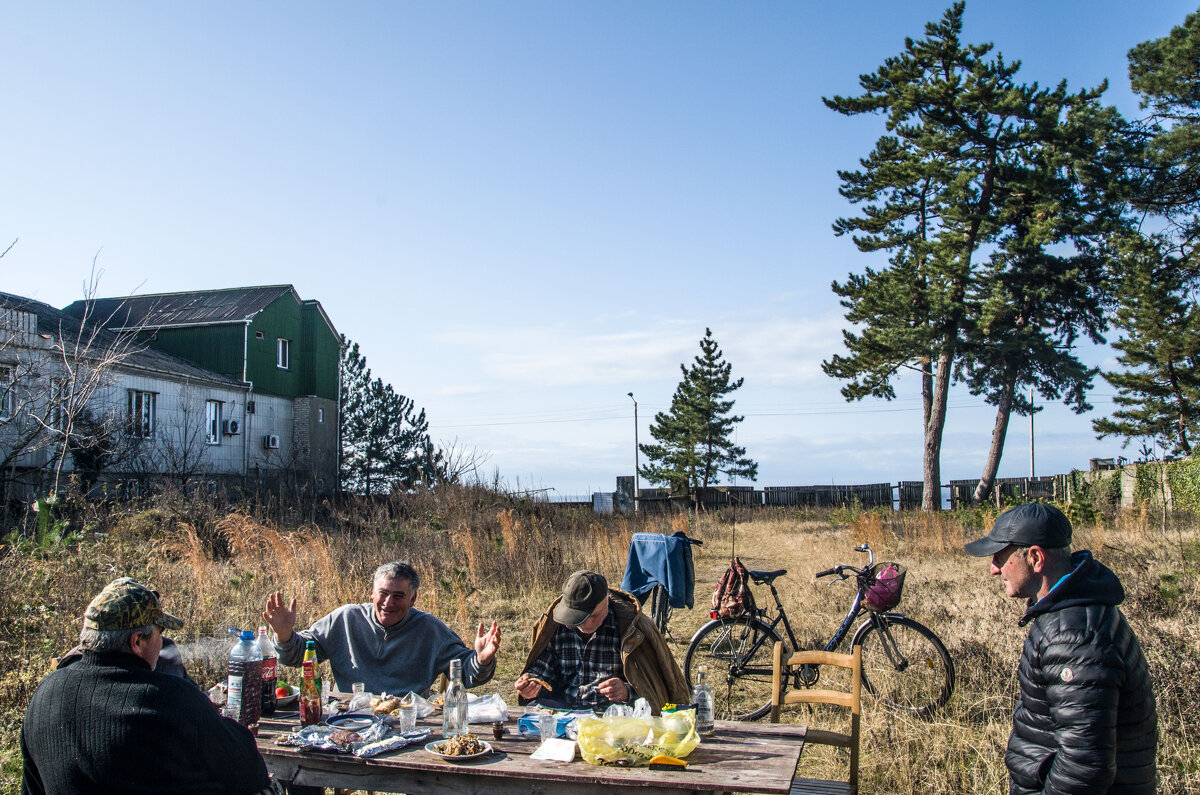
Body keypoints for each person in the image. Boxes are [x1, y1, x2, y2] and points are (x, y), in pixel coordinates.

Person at [964, 503, 1157, 795]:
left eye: (1000, 557)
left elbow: (1085, 765)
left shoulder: (1074, 637)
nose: (993, 569)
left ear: (1036, 557)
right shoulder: (1071, 614)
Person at [20, 577, 273, 795]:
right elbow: (250, 769)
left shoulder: (43, 695)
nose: (163, 640)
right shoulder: (170, 699)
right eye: (159, 632)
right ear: (137, 641)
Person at [263, 560, 501, 695]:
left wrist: (481, 659)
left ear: (413, 599)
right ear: (372, 593)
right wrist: (284, 635)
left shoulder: (430, 630)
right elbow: (299, 656)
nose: (388, 603)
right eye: (383, 594)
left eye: (398, 596)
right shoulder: (345, 619)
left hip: (409, 721)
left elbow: (467, 674)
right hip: (350, 718)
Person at [514, 570, 690, 713]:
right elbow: (544, 667)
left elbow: (657, 691)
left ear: (606, 599)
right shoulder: (556, 625)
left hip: (611, 718)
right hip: (562, 712)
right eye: (578, 618)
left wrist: (627, 691)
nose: (587, 624)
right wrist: (532, 681)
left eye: (595, 616)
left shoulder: (632, 630)